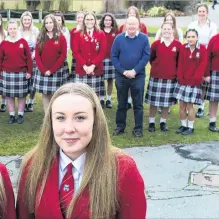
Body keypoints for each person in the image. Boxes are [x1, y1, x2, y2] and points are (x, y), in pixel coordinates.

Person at [16, 82, 146, 219]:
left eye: (80, 118)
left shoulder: (123, 168)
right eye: (60, 118)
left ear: (95, 121)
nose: (69, 129)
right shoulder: (33, 164)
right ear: (51, 122)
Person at [111, 16, 150, 138]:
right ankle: (120, 127)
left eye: (134, 24)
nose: (131, 27)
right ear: (125, 25)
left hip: (138, 75)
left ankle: (138, 129)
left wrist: (134, 71)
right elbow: (114, 56)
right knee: (121, 103)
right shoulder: (119, 39)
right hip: (121, 75)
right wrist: (123, 71)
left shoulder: (144, 39)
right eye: (129, 24)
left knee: (138, 104)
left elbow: (145, 57)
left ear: (138, 25)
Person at [145, 22, 181, 132]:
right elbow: (151, 59)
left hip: (170, 78)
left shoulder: (178, 45)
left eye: (169, 29)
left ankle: (163, 122)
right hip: (156, 77)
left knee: (166, 103)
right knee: (153, 102)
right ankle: (151, 122)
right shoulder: (156, 44)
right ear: (161, 30)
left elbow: (179, 61)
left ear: (173, 30)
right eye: (164, 29)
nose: (167, 31)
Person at [0, 20, 32, 124]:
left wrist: (29, 71)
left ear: (17, 29)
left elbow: (29, 59)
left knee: (21, 95)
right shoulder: (4, 43)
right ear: (7, 30)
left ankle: (20, 114)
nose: (13, 31)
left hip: (21, 73)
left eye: (14, 28)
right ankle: (11, 115)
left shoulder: (23, 42)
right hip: (7, 73)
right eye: (10, 29)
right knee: (9, 95)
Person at [174, 29, 207, 135]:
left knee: (190, 106)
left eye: (193, 37)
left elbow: (202, 65)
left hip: (194, 82)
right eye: (188, 37)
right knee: (181, 106)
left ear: (197, 37)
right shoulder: (183, 48)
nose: (190, 39)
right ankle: (183, 125)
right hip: (183, 82)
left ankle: (190, 127)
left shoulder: (202, 49)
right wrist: (180, 77)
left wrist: (196, 79)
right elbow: (180, 64)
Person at [187, 3, 218, 118]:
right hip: (193, 54)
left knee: (203, 82)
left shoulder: (212, 26)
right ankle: (191, 105)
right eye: (199, 11)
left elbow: (213, 41)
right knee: (192, 79)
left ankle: (201, 106)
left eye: (203, 11)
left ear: (207, 13)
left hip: (206, 54)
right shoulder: (192, 24)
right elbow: (189, 38)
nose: (201, 13)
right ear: (197, 13)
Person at [34, 14, 68, 112]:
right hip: (43, 70)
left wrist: (52, 70)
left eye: (50, 22)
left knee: (55, 94)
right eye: (46, 23)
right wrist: (44, 70)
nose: (49, 25)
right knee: (45, 94)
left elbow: (63, 55)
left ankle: (54, 114)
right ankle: (46, 116)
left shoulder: (61, 37)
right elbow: (37, 55)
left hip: (56, 71)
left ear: (55, 23)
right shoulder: (41, 37)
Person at [72, 12, 106, 106]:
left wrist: (93, 65)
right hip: (82, 69)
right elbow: (76, 52)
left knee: (94, 95)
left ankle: (94, 115)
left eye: (91, 19)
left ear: (95, 21)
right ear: (84, 21)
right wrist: (84, 65)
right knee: (80, 94)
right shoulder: (78, 34)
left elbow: (102, 52)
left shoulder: (100, 34)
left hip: (96, 69)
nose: (89, 21)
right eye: (87, 19)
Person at [18, 11, 40, 112]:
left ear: (31, 20)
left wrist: (33, 55)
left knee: (32, 80)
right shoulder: (18, 31)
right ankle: (23, 101)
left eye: (28, 20)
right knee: (23, 80)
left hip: (33, 58)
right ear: (22, 21)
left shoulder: (35, 30)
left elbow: (39, 45)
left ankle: (31, 101)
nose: (26, 21)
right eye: (25, 19)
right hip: (21, 58)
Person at [100, 13, 119, 109]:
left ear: (112, 21)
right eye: (106, 20)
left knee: (110, 80)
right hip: (101, 59)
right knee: (101, 79)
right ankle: (101, 99)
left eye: (109, 20)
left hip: (112, 59)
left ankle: (108, 99)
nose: (107, 22)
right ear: (103, 21)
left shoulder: (116, 31)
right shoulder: (99, 31)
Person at [69, 11, 85, 81]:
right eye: (78, 18)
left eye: (82, 17)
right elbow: (72, 45)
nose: (80, 19)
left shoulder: (87, 30)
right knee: (75, 77)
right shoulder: (73, 30)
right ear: (76, 19)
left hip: (85, 57)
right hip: (76, 57)